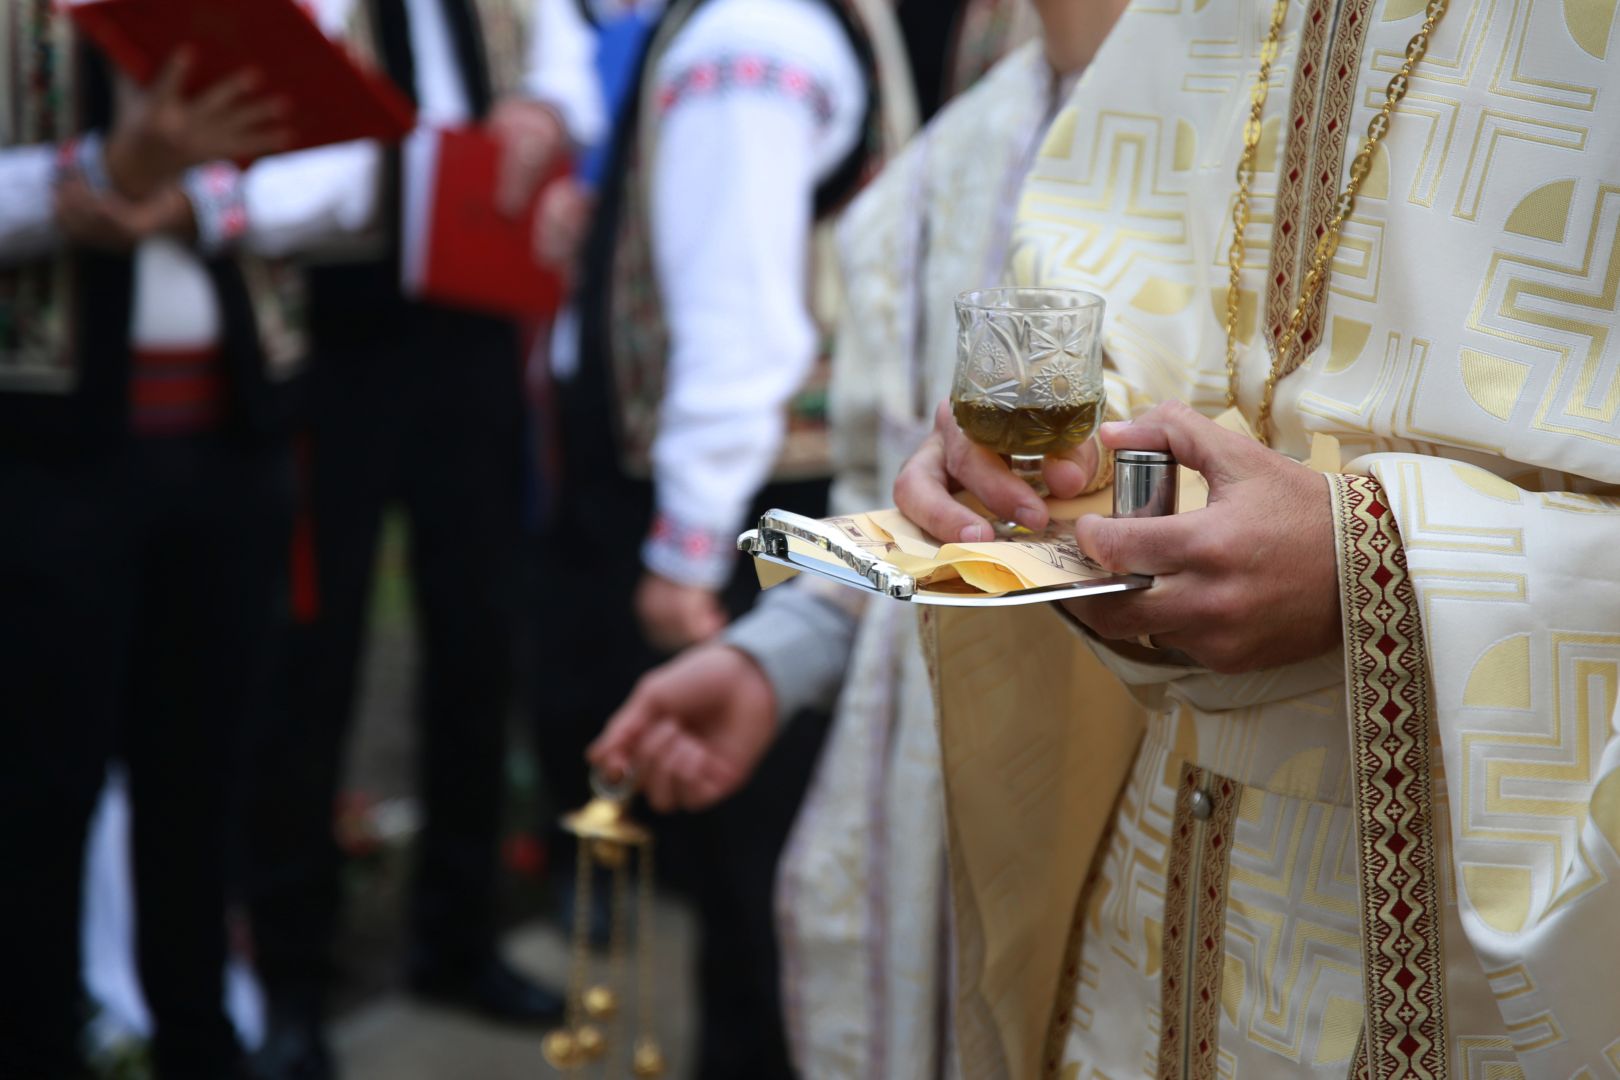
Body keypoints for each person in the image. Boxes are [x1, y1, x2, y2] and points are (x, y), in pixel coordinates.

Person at [880, 0, 1620, 1074]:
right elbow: (1113, 310)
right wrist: (1030, 454)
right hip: (1155, 897)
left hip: (1464, 930)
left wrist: (1376, 565)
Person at [586, 1, 1127, 1076]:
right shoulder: (946, 164)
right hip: (927, 808)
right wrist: (778, 655)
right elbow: (895, 511)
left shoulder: (1277, 126)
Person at [0, 9, 389, 1074]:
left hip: (231, 445)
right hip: (40, 459)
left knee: (206, 781)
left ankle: (201, 1041)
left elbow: (353, 167)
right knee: (37, 793)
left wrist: (196, 201)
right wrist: (97, 173)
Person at [238, 1, 604, 1077]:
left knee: (479, 640)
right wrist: (401, 172)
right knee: (313, 660)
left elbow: (567, 60)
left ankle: (458, 935)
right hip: (330, 335)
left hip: (472, 322)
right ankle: (292, 983)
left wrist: (542, 114)